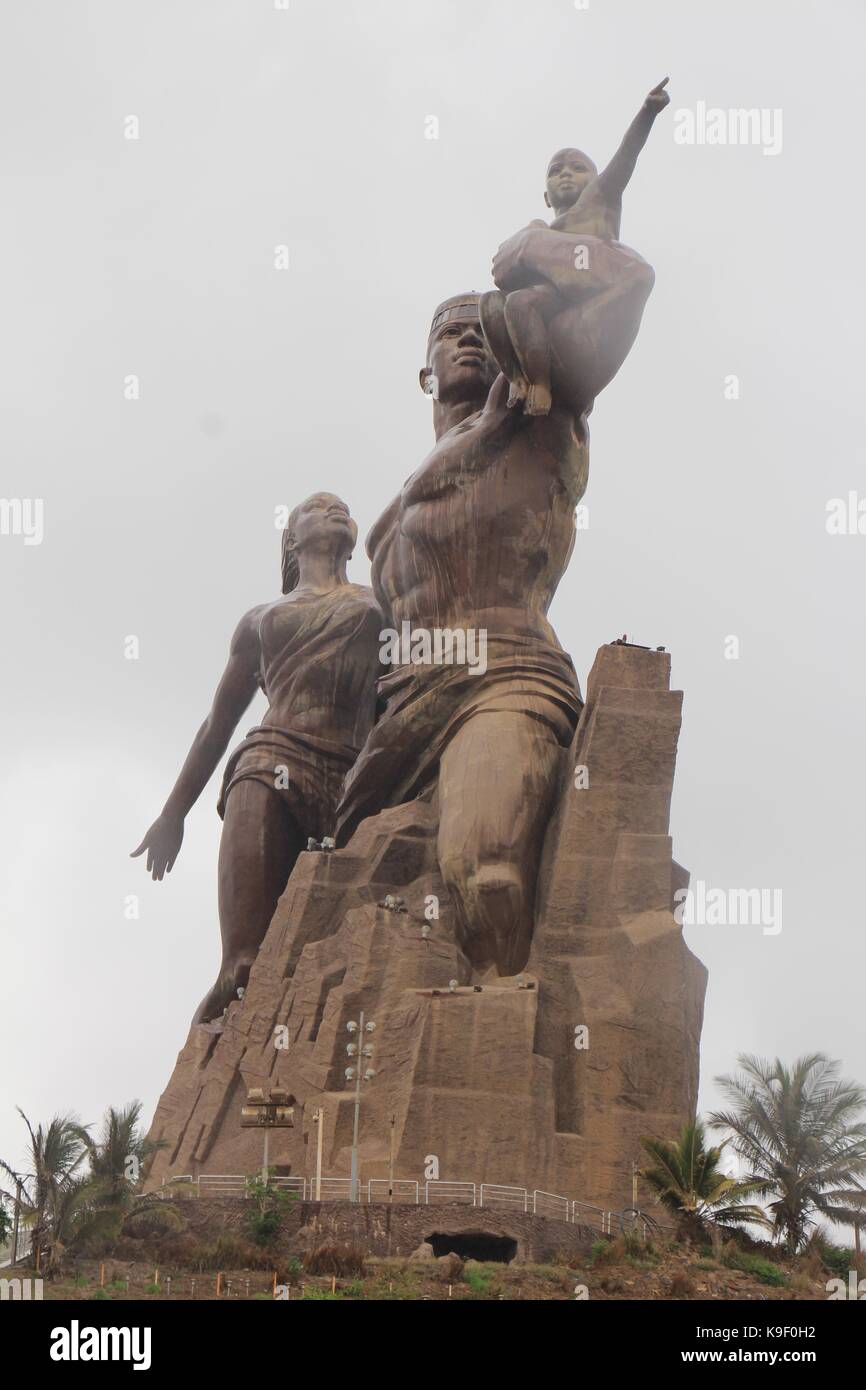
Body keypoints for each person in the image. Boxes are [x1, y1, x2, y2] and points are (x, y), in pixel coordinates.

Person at [336, 217, 656, 975]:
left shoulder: (536, 410)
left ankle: (494, 1046)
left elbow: (631, 281)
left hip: (502, 678)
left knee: (485, 874)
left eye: (480, 321)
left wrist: (540, 250)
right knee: (328, 902)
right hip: (401, 717)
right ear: (424, 372)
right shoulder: (391, 517)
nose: (470, 335)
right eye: (450, 331)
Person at [131, 494, 382, 1023]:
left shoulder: (383, 604)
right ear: (291, 539)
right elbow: (215, 727)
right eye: (318, 506)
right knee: (244, 970)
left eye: (341, 506)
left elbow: (412, 688)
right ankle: (207, 1071)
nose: (335, 509)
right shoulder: (261, 622)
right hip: (270, 768)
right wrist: (174, 812)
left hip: (362, 778)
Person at [480, 78, 670, 415]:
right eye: (556, 172)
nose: (565, 175)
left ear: (595, 180)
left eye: (577, 168)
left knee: (522, 303)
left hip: (578, 300)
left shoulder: (599, 201)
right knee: (493, 305)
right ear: (545, 195)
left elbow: (626, 156)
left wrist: (647, 113)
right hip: (544, 301)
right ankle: (518, 378)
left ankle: (540, 383)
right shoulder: (540, 230)